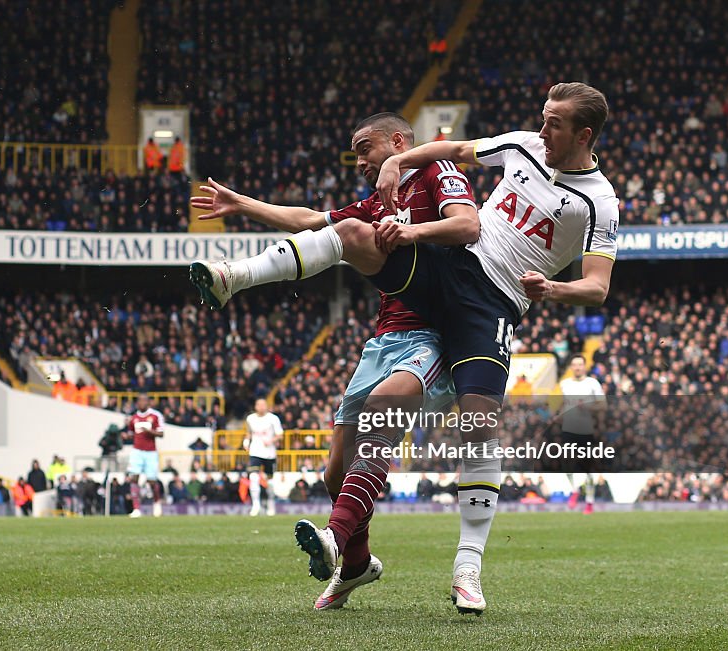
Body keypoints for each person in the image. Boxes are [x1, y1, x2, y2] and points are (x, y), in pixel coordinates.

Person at [190, 82, 620, 615]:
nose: (542, 128)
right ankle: (234, 277)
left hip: (495, 304)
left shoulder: (599, 202)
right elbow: (455, 148)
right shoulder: (522, 145)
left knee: (479, 424)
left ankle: (467, 565)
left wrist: (555, 289)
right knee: (351, 231)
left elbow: (598, 285)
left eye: (554, 123)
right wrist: (397, 165)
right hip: (454, 267)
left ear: (583, 134)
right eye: (542, 116)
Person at [188, 111, 478, 609]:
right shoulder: (372, 203)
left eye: (366, 147)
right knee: (334, 473)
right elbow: (310, 221)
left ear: (398, 141)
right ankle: (357, 564)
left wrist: (409, 234)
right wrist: (243, 205)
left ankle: (335, 536)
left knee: (381, 412)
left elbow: (468, 225)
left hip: (435, 334)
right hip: (383, 340)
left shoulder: (436, 172)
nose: (360, 160)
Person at [558, 353, 607, 514]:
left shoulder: (592, 383)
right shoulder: (564, 384)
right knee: (566, 465)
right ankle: (575, 490)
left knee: (588, 469)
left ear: (584, 366)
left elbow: (603, 405)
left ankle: (590, 502)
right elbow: (562, 405)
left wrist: (588, 407)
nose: (578, 367)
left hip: (586, 431)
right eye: (575, 364)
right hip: (568, 429)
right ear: (571, 367)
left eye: (580, 364)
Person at [126, 394, 164, 517]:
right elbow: (131, 432)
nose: (141, 403)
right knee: (133, 478)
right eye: (139, 401)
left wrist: (149, 432)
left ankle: (157, 502)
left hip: (151, 452)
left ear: (148, 402)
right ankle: (136, 508)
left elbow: (161, 433)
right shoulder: (134, 418)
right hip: (136, 451)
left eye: (144, 400)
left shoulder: (155, 416)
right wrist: (126, 436)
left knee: (151, 481)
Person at [243, 398, 284, 516]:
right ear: (255, 406)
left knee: (269, 481)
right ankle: (256, 506)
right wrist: (246, 441)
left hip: (269, 453)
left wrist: (271, 440)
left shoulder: (273, 418)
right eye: (259, 405)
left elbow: (280, 435)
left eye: (263, 405)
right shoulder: (250, 418)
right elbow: (248, 433)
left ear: (266, 406)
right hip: (255, 452)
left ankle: (271, 504)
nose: (261, 407)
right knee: (253, 477)